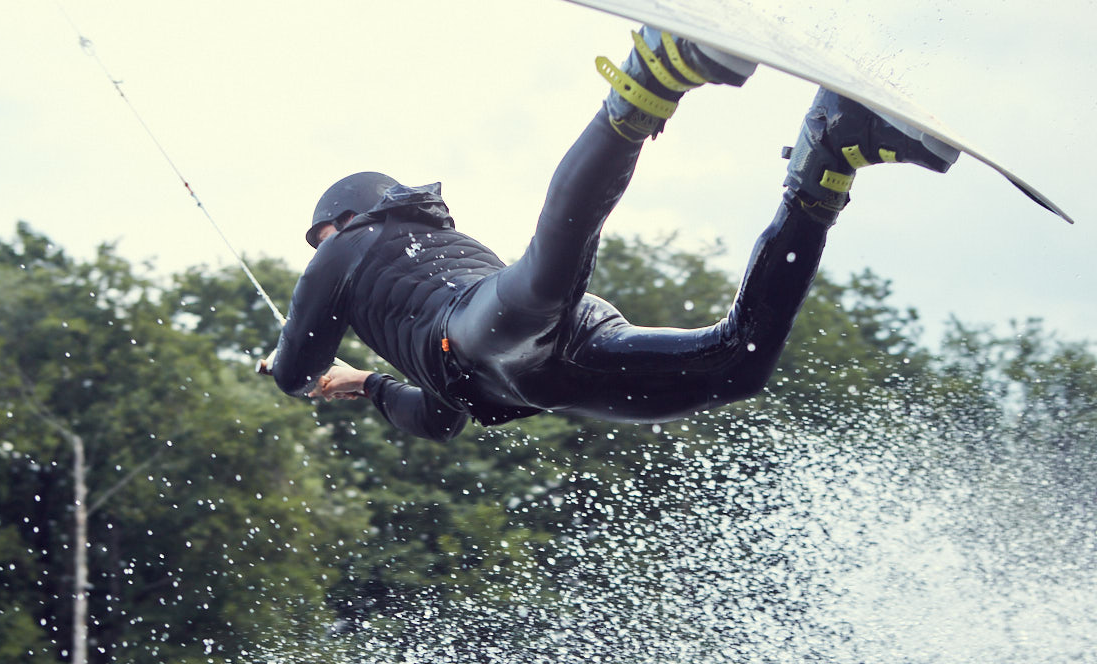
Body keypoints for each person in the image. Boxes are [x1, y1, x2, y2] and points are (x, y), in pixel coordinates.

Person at [263, 27, 958, 442]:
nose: (318, 250)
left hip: (490, 326)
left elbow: (294, 370)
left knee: (540, 285)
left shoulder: (355, 249)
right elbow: (439, 422)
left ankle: (646, 79)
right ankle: (829, 157)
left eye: (321, 235)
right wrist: (367, 386)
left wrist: (298, 372)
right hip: (542, 368)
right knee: (738, 367)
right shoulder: (403, 306)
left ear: (348, 218)